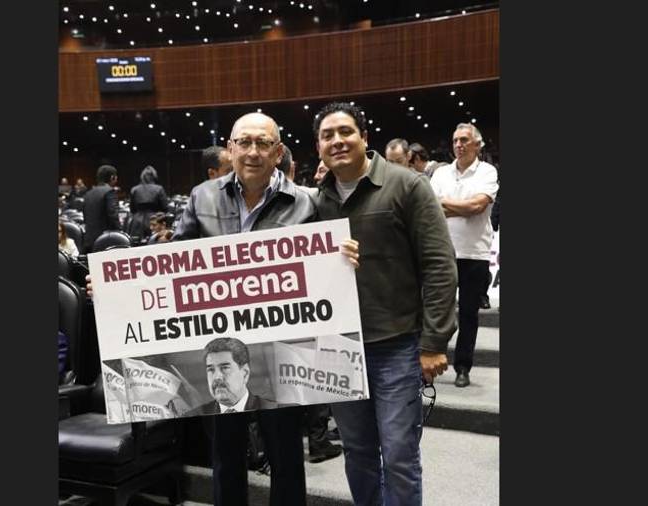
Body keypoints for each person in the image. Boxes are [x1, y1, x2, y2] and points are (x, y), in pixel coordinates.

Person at [170, 111, 359, 506]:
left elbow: (327, 265)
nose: (252, 152)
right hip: (222, 347)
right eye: (244, 142)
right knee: (226, 456)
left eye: (263, 144)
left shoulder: (308, 201)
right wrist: (113, 281)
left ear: (278, 152)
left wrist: (344, 254)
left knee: (286, 453)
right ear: (230, 148)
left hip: (283, 348)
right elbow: (170, 260)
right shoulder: (201, 197)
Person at [311, 102, 457, 506]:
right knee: (357, 455)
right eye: (328, 135)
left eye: (345, 132)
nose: (337, 141)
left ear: (364, 137)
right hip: (340, 350)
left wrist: (434, 342)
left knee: (398, 457)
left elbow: (440, 265)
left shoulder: (407, 185)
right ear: (318, 145)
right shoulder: (316, 201)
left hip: (398, 345)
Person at [429, 123, 499, 388]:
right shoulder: (441, 173)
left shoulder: (487, 171)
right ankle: (430, 361)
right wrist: (462, 208)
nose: (458, 145)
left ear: (477, 145)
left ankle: (462, 366)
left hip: (474, 253)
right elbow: (430, 208)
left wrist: (445, 205)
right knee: (436, 311)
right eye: (455, 140)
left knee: (469, 313)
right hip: (441, 251)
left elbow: (477, 206)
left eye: (464, 140)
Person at [188, 338, 277, 416]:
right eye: (211, 370)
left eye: (225, 368)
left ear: (245, 373)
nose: (217, 377)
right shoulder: (192, 417)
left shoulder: (273, 411)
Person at [82, 165, 121, 253]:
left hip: (89, 241)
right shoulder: (110, 192)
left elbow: (85, 216)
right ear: (112, 177)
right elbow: (113, 216)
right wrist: (120, 234)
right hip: (106, 242)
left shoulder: (88, 193)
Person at [126, 165, 168, 242]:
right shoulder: (159, 189)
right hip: (155, 221)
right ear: (154, 176)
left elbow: (132, 209)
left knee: (136, 245)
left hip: (137, 222)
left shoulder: (134, 189)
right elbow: (165, 208)